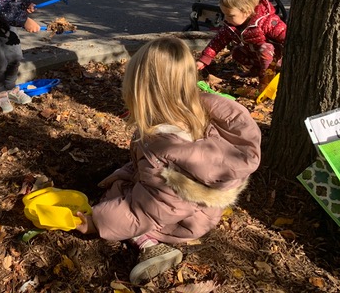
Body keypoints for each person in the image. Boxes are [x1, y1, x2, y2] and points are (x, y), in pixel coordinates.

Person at [74, 37, 261, 284]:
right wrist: (127, 169)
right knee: (121, 186)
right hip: (199, 206)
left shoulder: (163, 144)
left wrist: (96, 222)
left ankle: (151, 246)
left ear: (143, 93)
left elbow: (147, 209)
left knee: (113, 198)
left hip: (184, 220)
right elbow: (160, 171)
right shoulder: (198, 112)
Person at [196, 0, 287, 87]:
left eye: (230, 15)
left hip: (276, 57)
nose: (225, 18)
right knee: (237, 52)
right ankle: (256, 70)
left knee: (264, 48)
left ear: (247, 11)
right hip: (256, 55)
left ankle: (267, 79)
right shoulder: (231, 26)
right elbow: (217, 42)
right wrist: (204, 60)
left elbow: (285, 36)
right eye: (224, 14)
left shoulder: (267, 22)